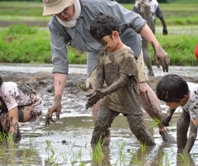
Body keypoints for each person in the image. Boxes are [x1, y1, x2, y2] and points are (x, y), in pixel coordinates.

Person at [42, 0, 173, 142]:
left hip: (125, 41)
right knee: (95, 91)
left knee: (140, 87)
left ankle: (162, 128)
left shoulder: (97, 5)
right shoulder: (56, 25)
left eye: (64, 9)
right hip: (96, 50)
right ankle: (104, 139)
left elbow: (136, 21)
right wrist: (57, 99)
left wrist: (157, 47)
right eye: (56, 11)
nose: (61, 14)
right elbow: (60, 64)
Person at [86, 14, 155, 146]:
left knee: (138, 131)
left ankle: (153, 151)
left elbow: (123, 80)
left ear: (115, 34)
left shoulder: (128, 55)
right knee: (99, 128)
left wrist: (103, 92)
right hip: (111, 99)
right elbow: (100, 76)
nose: (103, 46)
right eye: (100, 44)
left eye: (104, 42)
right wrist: (96, 92)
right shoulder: (102, 55)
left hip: (130, 100)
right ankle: (95, 155)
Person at [0, 76, 43, 142]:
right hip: (18, 106)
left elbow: (13, 120)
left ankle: (14, 141)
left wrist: (9, 147)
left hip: (34, 107)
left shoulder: (7, 92)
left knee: (5, 118)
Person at [133, 0, 168, 76]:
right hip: (151, 28)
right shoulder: (154, 3)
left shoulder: (138, 3)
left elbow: (132, 16)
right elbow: (161, 16)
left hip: (141, 28)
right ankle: (162, 67)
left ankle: (150, 70)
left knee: (145, 48)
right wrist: (165, 27)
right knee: (155, 46)